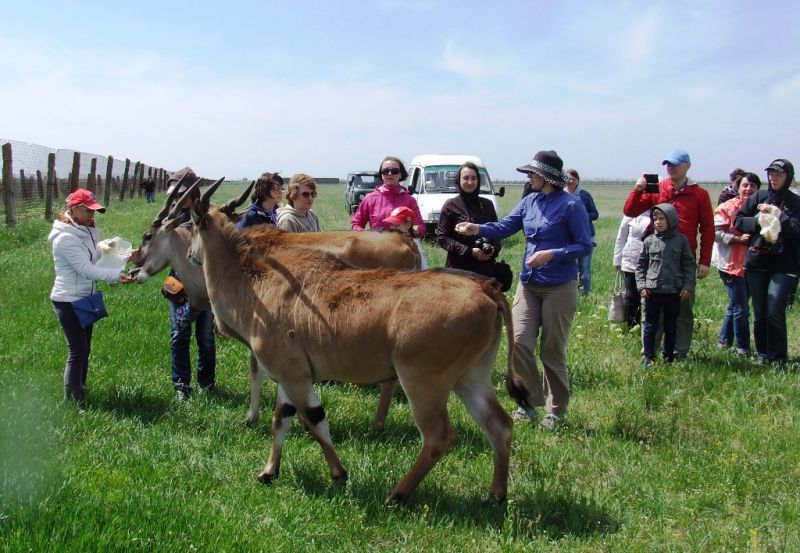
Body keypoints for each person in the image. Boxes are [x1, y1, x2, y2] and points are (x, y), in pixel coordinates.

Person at [456, 150, 592, 431]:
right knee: (519, 344)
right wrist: (476, 228)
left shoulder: (572, 206)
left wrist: (553, 253)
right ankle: (529, 403)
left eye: (532, 173)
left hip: (559, 286)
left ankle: (556, 411)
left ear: (546, 176)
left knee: (552, 350)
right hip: (529, 285)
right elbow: (506, 227)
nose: (528, 177)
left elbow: (585, 245)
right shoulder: (530, 201)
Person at [49, 189, 135, 412]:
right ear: (74, 209)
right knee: (77, 350)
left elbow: (93, 254)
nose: (92, 215)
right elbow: (85, 269)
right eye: (87, 210)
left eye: (93, 210)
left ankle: (80, 390)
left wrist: (116, 250)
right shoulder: (65, 238)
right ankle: (73, 401)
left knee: (85, 349)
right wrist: (115, 275)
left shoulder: (83, 231)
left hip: (84, 298)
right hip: (67, 301)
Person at [623, 148, 714, 358]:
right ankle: (650, 352)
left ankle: (678, 352)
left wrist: (705, 261)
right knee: (652, 307)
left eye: (675, 164)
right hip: (656, 258)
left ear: (687, 166)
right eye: (667, 164)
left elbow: (708, 228)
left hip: (683, 260)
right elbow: (630, 211)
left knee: (682, 308)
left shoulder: (699, 194)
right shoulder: (659, 188)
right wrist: (638, 190)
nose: (670, 167)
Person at [734, 159, 800, 365]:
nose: (773, 178)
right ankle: (762, 353)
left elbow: (797, 231)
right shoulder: (759, 196)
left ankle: (779, 357)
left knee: (774, 310)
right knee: (760, 312)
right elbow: (738, 221)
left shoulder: (796, 203)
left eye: (778, 175)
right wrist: (758, 221)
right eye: (771, 174)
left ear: (788, 177)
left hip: (784, 265)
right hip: (757, 262)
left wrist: (779, 217)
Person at [165, 167, 216, 400]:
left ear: (195, 193)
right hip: (177, 284)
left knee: (205, 337)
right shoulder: (168, 218)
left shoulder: (209, 216)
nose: (177, 198)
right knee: (179, 335)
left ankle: (207, 384)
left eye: (182, 194)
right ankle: (180, 387)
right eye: (175, 195)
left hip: (204, 286)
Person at [636, 204, 696, 367]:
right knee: (650, 326)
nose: (658, 222)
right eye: (655, 219)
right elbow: (641, 265)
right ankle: (648, 357)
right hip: (653, 291)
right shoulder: (649, 241)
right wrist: (642, 286)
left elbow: (689, 265)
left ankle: (668, 357)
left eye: (662, 218)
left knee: (671, 327)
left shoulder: (681, 241)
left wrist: (687, 286)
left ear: (671, 219)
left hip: (674, 291)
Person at [711, 173, 760, 355]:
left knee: (736, 304)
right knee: (741, 307)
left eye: (753, 186)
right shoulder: (727, 207)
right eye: (745, 185)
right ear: (738, 188)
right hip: (730, 264)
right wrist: (737, 239)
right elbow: (715, 233)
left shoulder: (760, 209)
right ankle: (743, 348)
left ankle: (724, 342)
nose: (748, 189)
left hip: (751, 264)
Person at [435, 161, 500, 277]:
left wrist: (493, 250)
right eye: (466, 178)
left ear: (478, 181)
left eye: (474, 178)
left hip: (485, 268)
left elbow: (497, 233)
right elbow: (442, 237)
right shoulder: (450, 205)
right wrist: (469, 251)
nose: (470, 182)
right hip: (458, 269)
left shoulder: (487, 204)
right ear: (459, 180)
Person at [351, 156, 425, 235]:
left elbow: (421, 227)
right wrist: (367, 236)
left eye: (394, 171)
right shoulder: (370, 198)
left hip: (401, 245)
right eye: (385, 171)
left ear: (401, 174)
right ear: (381, 175)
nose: (389, 174)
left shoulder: (410, 200)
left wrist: (414, 231)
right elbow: (356, 223)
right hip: (377, 244)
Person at [613, 212, 651, 330]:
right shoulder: (633, 210)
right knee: (632, 296)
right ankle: (633, 327)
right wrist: (617, 260)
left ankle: (648, 328)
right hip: (631, 259)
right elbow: (622, 235)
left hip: (653, 261)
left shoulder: (659, 209)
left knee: (650, 296)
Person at [565, 169, 598, 295]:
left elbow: (595, 214)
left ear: (578, 180)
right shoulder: (560, 194)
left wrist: (582, 217)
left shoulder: (584, 195)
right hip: (567, 238)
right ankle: (571, 294)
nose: (570, 181)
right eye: (568, 178)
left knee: (584, 269)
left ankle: (585, 295)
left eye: (573, 179)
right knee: (570, 269)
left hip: (585, 236)